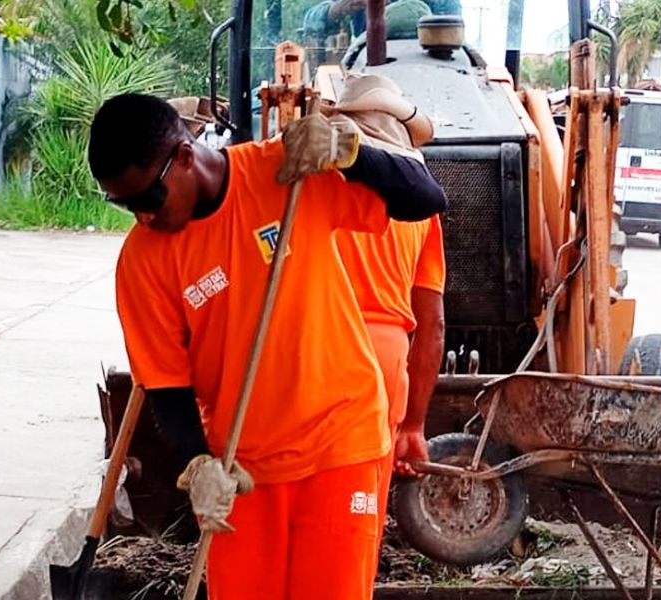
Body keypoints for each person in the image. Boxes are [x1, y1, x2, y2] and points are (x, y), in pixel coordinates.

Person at [88, 93, 446, 600]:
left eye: (147, 199)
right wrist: (197, 463)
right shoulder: (143, 261)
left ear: (185, 157)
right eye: (124, 205)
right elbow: (166, 383)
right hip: (242, 465)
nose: (141, 218)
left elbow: (426, 200)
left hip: (340, 444)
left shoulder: (287, 173)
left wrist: (350, 152)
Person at [328, 74, 445, 536]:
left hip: (315, 344)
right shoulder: (420, 208)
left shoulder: (312, 186)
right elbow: (432, 323)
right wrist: (413, 425)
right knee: (360, 509)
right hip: (384, 356)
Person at [303, 0, 462, 49]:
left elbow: (452, 36)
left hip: (427, 72)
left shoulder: (441, 3)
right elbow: (309, 22)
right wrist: (336, 9)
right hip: (364, 77)